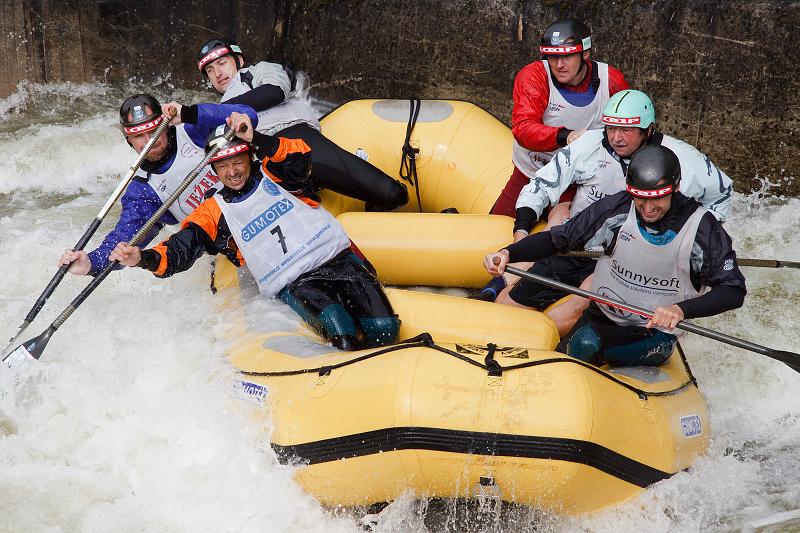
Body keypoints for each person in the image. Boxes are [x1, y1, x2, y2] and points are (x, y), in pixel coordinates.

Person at [110, 113, 400, 351]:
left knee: (385, 329)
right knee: (340, 329)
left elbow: (299, 156)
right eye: (223, 166)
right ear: (214, 170)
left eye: (237, 161)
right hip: (296, 281)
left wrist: (256, 138)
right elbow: (180, 249)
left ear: (249, 158)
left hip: (340, 259)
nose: (232, 172)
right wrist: (142, 258)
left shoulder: (276, 174)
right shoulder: (214, 209)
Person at [482, 89, 735, 337]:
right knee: (507, 305)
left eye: (626, 130)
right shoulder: (590, 145)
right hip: (579, 240)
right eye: (611, 128)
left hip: (624, 257)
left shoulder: (683, 159)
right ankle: (501, 296)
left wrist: (691, 241)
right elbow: (542, 185)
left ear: (648, 130)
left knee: (569, 313)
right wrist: (522, 231)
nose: (617, 138)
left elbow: (722, 192)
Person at [484, 145, 746, 366]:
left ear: (675, 187)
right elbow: (560, 238)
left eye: (657, 199)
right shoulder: (619, 208)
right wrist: (509, 252)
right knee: (577, 344)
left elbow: (733, 289)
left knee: (587, 342)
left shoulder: (702, 227)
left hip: (652, 333)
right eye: (640, 199)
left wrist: (681, 309)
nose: (647, 209)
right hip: (600, 315)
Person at [195, 38, 408, 211]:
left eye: (222, 63)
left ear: (239, 60)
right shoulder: (218, 111)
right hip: (269, 162)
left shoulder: (257, 72)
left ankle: (374, 210)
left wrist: (214, 113)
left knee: (392, 194)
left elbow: (273, 92)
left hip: (298, 140)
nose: (218, 73)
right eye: (210, 70)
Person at [58, 94, 258, 276]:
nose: (149, 141)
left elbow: (248, 116)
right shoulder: (143, 191)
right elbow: (124, 239)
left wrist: (189, 113)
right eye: (139, 136)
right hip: (225, 243)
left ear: (167, 125)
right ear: (129, 140)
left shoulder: (193, 131)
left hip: (261, 208)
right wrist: (91, 263)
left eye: (154, 131)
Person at [490, 18, 629, 218]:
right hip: (530, 174)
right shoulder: (534, 76)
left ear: (586, 54)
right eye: (552, 57)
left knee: (560, 241)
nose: (559, 65)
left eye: (568, 56)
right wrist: (566, 136)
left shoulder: (612, 81)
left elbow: (630, 133)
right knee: (496, 229)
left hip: (575, 184)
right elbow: (523, 128)